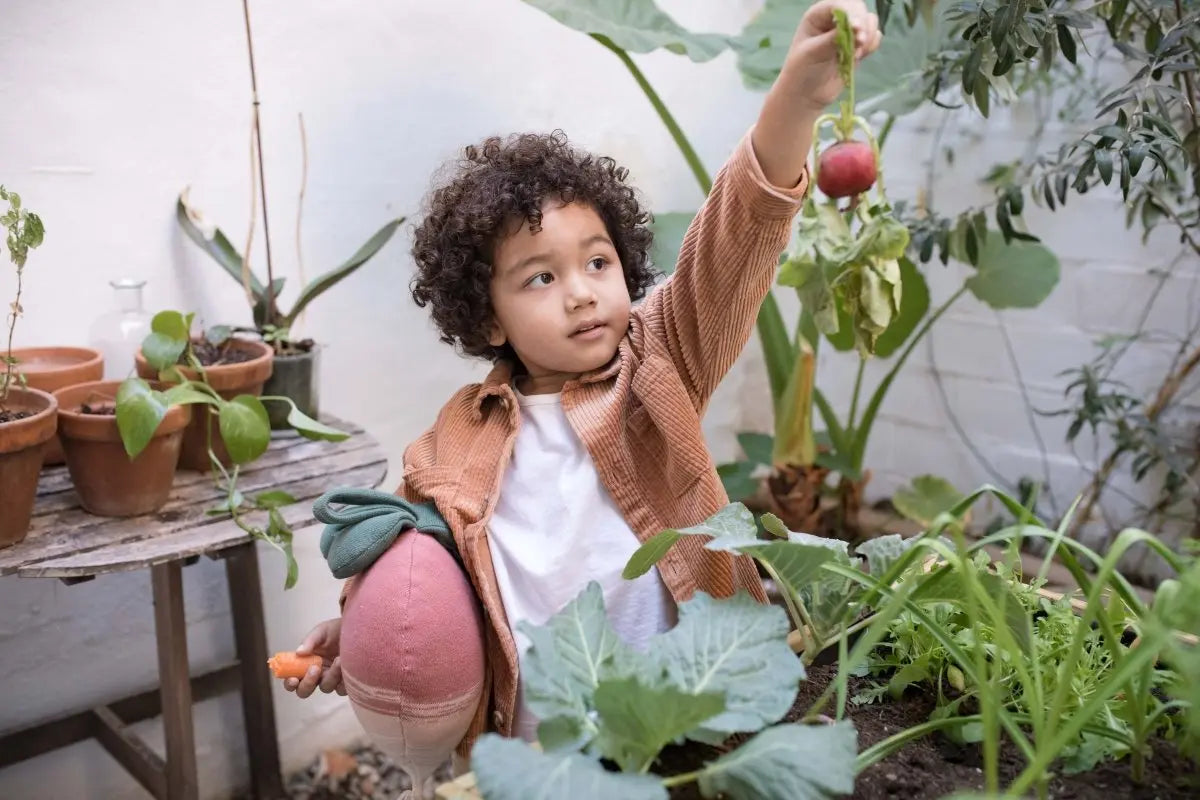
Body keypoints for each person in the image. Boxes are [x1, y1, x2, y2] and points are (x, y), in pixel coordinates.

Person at [283, 0, 881, 786]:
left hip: (684, 727)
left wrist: (800, 98)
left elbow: (737, 233)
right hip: (539, 748)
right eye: (540, 276)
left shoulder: (659, 360)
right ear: (487, 317)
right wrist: (360, 632)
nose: (581, 293)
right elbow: (433, 573)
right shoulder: (452, 439)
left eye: (597, 262)